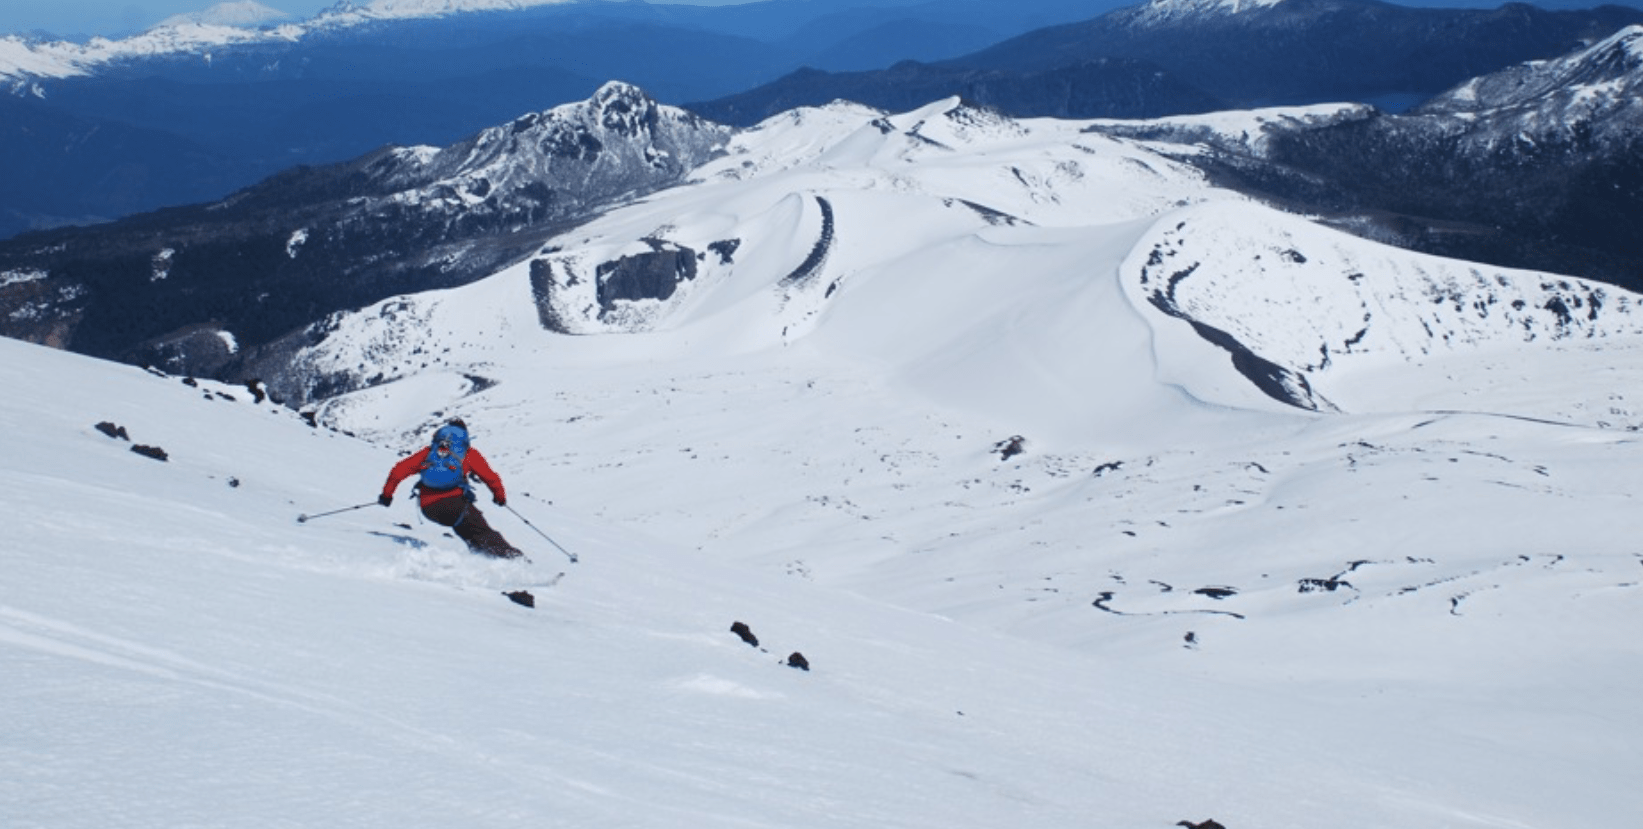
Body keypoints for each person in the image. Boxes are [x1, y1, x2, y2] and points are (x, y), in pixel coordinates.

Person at [379, 418, 524, 559]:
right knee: (483, 533)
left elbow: (397, 471)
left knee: (470, 534)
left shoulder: (429, 453)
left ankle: (483, 562)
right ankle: (517, 562)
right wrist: (500, 496)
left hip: (428, 509)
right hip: (455, 506)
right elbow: (491, 478)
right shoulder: (468, 454)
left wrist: (387, 496)